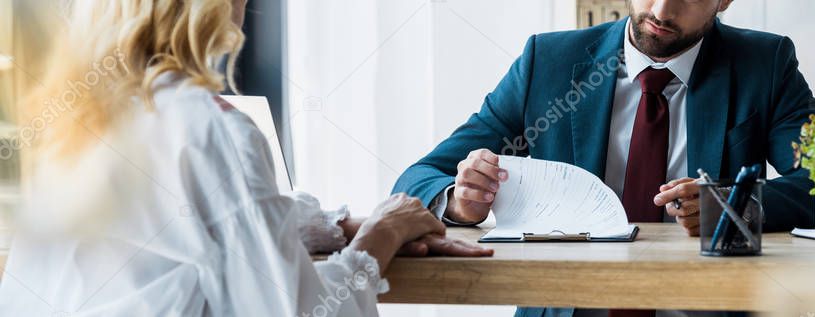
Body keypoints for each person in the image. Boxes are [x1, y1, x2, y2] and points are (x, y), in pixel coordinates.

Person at [0, 0, 492, 316]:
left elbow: (204, 222)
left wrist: (342, 226)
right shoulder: (210, 127)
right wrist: (378, 237)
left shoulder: (73, 114)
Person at [393, 0, 815, 316]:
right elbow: (419, 177)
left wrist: (730, 205)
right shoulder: (549, 62)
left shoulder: (765, 65)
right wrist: (457, 200)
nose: (661, 9)